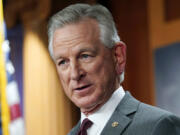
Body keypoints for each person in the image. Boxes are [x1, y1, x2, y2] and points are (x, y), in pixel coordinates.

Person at [47, 3, 180, 135]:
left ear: (118, 56)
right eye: (63, 62)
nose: (75, 74)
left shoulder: (157, 127)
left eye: (85, 56)